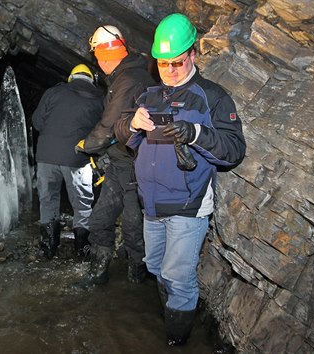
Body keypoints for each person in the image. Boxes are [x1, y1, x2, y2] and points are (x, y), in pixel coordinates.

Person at [114, 13, 246, 346]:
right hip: (151, 205)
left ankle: (176, 340)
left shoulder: (212, 97)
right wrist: (132, 124)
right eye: (163, 64)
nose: (170, 70)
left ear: (192, 55)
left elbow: (233, 150)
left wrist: (196, 133)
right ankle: (172, 317)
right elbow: (122, 136)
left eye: (177, 62)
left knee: (178, 275)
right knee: (156, 265)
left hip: (188, 205)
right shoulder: (148, 97)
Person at [74, 25, 155, 284]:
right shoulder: (122, 78)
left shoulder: (130, 80)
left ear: (103, 55)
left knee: (133, 229)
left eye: (96, 56)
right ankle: (97, 276)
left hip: (135, 166)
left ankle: (137, 283)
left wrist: (86, 145)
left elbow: (109, 126)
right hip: (118, 164)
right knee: (100, 220)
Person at [32, 64, 104, 259]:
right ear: (91, 79)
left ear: (71, 77)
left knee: (47, 200)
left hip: (47, 156)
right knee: (81, 204)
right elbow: (103, 130)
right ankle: (82, 249)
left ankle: (48, 247)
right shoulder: (100, 98)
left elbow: (37, 122)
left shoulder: (53, 92)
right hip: (77, 157)